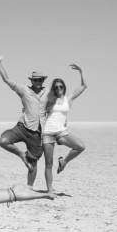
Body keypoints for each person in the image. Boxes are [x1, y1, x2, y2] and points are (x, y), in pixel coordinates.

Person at [0, 51, 49, 188]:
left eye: (40, 80)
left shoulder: (48, 92)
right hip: (23, 127)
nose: (38, 82)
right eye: (35, 80)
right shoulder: (24, 89)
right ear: (31, 80)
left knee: (34, 160)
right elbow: (6, 80)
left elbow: (59, 102)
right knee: (3, 141)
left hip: (38, 131)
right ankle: (21, 155)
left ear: (43, 80)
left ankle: (29, 187)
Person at [42, 64, 87, 192]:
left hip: (61, 132)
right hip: (48, 133)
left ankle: (64, 162)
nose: (58, 89)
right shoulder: (49, 100)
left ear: (64, 87)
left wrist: (81, 71)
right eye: (56, 87)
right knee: (48, 163)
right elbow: (39, 111)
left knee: (80, 146)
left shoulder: (69, 99)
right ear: (54, 89)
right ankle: (49, 190)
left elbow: (84, 86)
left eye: (61, 86)